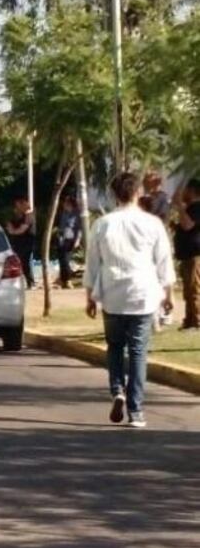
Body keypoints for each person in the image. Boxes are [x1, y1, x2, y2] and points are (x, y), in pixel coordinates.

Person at [83, 172, 175, 429]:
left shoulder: (102, 224)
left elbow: (92, 263)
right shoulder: (152, 224)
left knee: (114, 346)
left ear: (114, 195)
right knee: (137, 352)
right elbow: (164, 262)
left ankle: (117, 390)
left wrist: (89, 297)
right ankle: (136, 411)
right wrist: (169, 295)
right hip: (142, 294)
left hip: (113, 294)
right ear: (138, 193)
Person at [172, 178, 200, 331]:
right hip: (187, 256)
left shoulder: (197, 207)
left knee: (195, 289)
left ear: (192, 191)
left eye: (184, 190)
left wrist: (179, 206)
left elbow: (188, 225)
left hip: (195, 255)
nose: (181, 194)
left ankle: (197, 321)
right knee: (188, 291)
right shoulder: (190, 208)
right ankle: (189, 321)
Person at [6, 197, 36, 289]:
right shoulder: (19, 216)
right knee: (19, 263)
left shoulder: (28, 216)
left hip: (26, 244)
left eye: (18, 205)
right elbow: (10, 225)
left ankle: (30, 282)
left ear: (23, 205)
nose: (16, 207)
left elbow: (22, 229)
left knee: (25, 263)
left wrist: (13, 231)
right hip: (18, 243)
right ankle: (22, 282)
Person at [56, 195, 82, 289]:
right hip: (62, 239)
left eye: (66, 203)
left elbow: (79, 228)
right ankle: (63, 280)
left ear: (70, 204)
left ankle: (68, 279)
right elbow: (61, 226)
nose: (64, 205)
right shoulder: (64, 213)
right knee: (61, 260)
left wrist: (78, 240)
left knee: (66, 259)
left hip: (71, 239)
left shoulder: (77, 214)